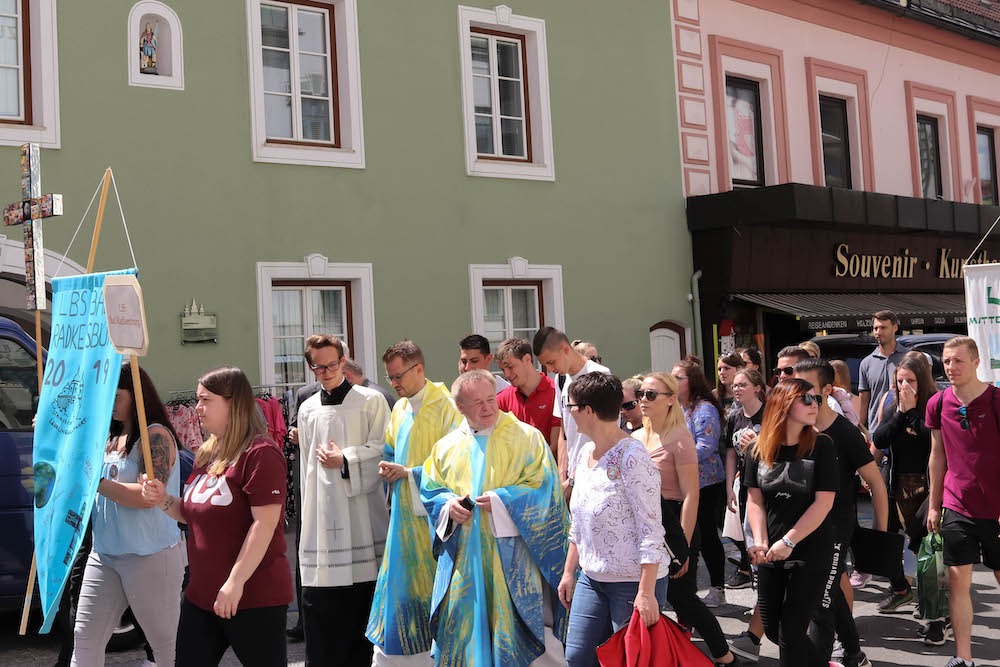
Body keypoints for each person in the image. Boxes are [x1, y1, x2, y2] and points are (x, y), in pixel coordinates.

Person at [142, 366, 292, 667]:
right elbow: (191, 514)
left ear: (233, 403)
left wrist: (234, 583)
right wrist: (162, 500)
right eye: (197, 399)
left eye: (205, 399)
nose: (197, 407)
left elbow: (264, 524)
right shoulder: (208, 453)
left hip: (253, 597)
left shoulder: (261, 452)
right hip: (201, 596)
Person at [422, 370, 568, 665]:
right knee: (467, 637)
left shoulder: (527, 438)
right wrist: (448, 507)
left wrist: (504, 502)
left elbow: (546, 491)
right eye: (477, 403)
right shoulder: (445, 447)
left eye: (491, 399)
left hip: (513, 560)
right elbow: (430, 491)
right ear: (459, 408)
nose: (487, 408)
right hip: (464, 560)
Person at [71, 362, 185, 667]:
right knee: (85, 638)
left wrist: (96, 483)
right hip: (105, 555)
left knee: (164, 647)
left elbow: (148, 498)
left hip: (150, 556)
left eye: (116, 397)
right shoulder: (111, 436)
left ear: (136, 396)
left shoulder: (156, 437)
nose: (109, 405)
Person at [558, 372, 669, 666]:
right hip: (592, 578)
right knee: (578, 656)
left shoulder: (632, 456)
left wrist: (646, 594)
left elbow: (651, 530)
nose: (568, 414)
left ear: (588, 411)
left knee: (631, 661)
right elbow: (579, 524)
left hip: (632, 582)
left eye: (570, 406)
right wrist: (570, 572)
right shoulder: (583, 454)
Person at [366, 341, 464, 665]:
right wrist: (388, 466)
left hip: (433, 520)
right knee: (402, 588)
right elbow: (390, 449)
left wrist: (408, 473)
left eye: (397, 376)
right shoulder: (400, 408)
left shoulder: (448, 407)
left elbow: (455, 464)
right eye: (389, 377)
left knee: (434, 589)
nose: (393, 384)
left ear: (418, 369)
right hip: (403, 518)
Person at [296, 335, 391, 666]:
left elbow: (383, 450)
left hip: (361, 517)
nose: (325, 372)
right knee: (321, 616)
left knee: (358, 613)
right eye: (317, 367)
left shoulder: (370, 401)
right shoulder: (306, 408)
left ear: (344, 360)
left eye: (332, 365)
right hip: (321, 518)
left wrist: (347, 460)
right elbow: (308, 468)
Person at [633, 372, 740, 666]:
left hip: (673, 527)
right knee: (644, 597)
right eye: (641, 393)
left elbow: (692, 496)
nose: (643, 398)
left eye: (650, 394)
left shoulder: (680, 440)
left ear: (670, 401)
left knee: (682, 599)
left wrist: (683, 545)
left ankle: (724, 654)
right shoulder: (634, 437)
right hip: (643, 526)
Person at [796, 358, 887, 667]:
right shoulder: (794, 425)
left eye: (809, 390)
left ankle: (827, 658)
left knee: (821, 603)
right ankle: (853, 652)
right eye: (797, 389)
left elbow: (876, 483)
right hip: (803, 527)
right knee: (829, 594)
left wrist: (880, 538)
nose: (802, 396)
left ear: (828, 390)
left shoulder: (844, 431)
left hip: (836, 529)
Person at [744, 379, 839, 667]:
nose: (815, 406)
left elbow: (823, 503)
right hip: (770, 551)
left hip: (810, 548)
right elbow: (755, 500)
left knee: (791, 632)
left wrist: (789, 541)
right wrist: (759, 541)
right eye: (806, 400)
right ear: (783, 405)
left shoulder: (821, 446)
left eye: (817, 400)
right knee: (772, 628)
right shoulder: (757, 449)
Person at [925, 336, 1000, 667]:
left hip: (996, 509)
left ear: (976, 362)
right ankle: (963, 658)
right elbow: (936, 456)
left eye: (957, 360)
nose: (951, 367)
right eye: (946, 361)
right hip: (957, 505)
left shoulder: (997, 400)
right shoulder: (938, 403)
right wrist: (933, 504)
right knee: (957, 581)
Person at [872, 351, 935, 628]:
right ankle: (900, 588)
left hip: (926, 486)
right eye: (900, 381)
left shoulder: (933, 404)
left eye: (910, 380)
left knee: (924, 547)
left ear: (921, 381)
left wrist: (911, 412)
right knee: (886, 542)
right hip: (895, 483)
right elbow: (880, 437)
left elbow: (930, 441)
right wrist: (901, 412)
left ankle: (931, 602)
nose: (904, 386)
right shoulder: (894, 406)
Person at [673, 357, 728, 608]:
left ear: (691, 381)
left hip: (707, 482)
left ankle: (717, 587)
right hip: (687, 480)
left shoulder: (703, 408)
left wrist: (675, 460)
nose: (673, 382)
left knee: (707, 536)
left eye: (678, 378)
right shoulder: (680, 407)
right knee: (691, 536)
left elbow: (706, 447)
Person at [533, 327, 610, 495]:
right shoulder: (561, 379)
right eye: (546, 365)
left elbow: (606, 435)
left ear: (565, 349)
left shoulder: (600, 376)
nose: (550, 369)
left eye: (551, 362)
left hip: (596, 473)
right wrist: (562, 473)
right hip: (571, 479)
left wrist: (574, 479)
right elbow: (563, 430)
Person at [724, 368, 767, 592]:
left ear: (757, 388)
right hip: (744, 485)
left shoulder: (769, 414)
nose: (736, 389)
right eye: (735, 385)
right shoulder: (735, 417)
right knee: (749, 539)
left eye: (742, 385)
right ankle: (760, 594)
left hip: (768, 486)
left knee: (765, 537)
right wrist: (730, 486)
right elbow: (731, 452)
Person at [285, 376, 321, 642]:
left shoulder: (367, 396)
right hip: (308, 485)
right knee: (304, 552)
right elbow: (293, 431)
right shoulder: (306, 393)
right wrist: (293, 433)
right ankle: (304, 621)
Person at [495, 337, 561, 453]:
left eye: (510, 367)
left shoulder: (556, 392)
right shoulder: (502, 399)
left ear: (527, 359)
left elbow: (557, 445)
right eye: (503, 369)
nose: (507, 374)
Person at [858, 310, 909, 432]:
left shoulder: (909, 358)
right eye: (875, 328)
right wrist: (861, 430)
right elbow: (863, 402)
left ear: (895, 327)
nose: (878, 332)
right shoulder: (866, 363)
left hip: (904, 428)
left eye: (883, 328)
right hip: (876, 430)